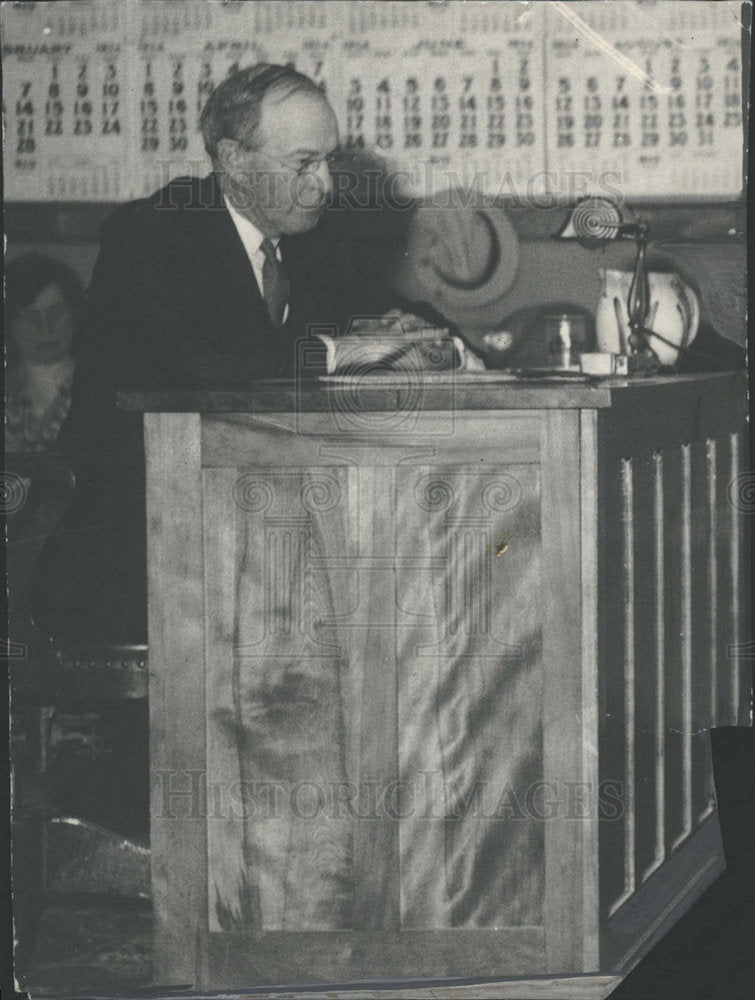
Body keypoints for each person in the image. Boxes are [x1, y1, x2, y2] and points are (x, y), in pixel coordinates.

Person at [55, 63, 449, 641]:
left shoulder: (312, 240)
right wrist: (344, 351)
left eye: (329, 161)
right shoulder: (153, 234)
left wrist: (435, 346)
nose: (326, 185)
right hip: (143, 541)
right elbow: (211, 362)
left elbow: (400, 314)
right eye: (303, 164)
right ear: (235, 159)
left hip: (266, 535)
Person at [5, 254, 83, 454]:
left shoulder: (96, 389)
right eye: (30, 316)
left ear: (75, 315)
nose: (45, 328)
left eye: (56, 313)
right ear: (7, 324)